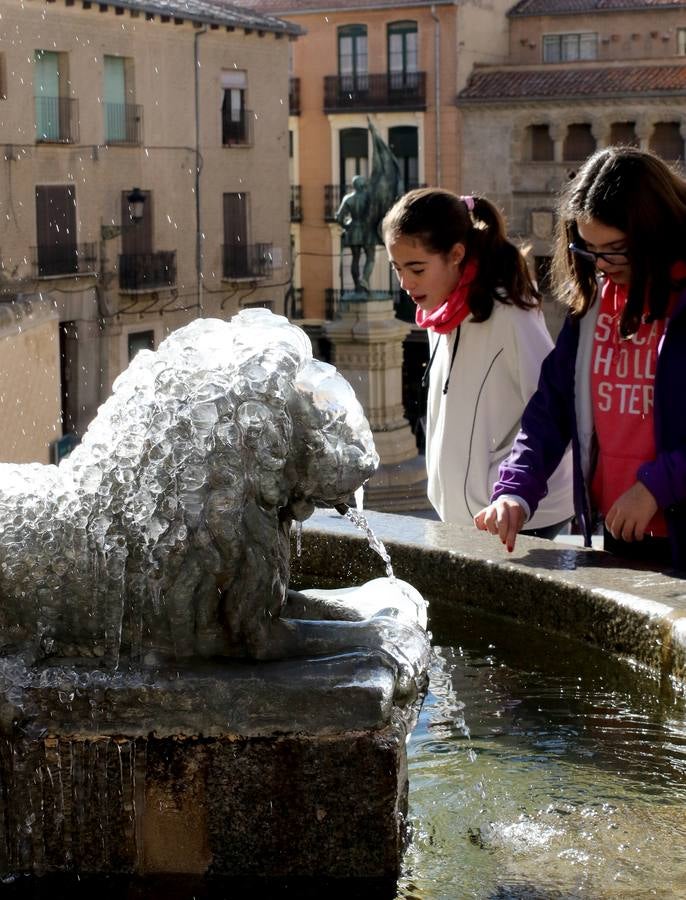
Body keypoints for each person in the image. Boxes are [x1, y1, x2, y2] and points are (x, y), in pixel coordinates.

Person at [474, 146, 686, 571]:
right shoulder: (592, 307)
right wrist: (515, 490)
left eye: (615, 249)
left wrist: (655, 488)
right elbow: (550, 411)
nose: (601, 265)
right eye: (589, 249)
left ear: (656, 231)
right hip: (621, 531)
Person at [382, 187, 573, 532]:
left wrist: (511, 492)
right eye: (397, 269)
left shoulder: (511, 316)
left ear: (456, 254)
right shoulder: (438, 313)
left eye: (417, 269)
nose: (405, 283)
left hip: (519, 516)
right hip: (468, 517)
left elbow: (554, 409)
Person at [336, 175, 377, 292]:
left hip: (353, 230)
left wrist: (346, 226)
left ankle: (357, 287)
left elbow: (339, 218)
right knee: (371, 257)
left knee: (355, 258)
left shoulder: (348, 199)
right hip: (367, 231)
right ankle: (364, 279)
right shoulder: (369, 198)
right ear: (363, 185)